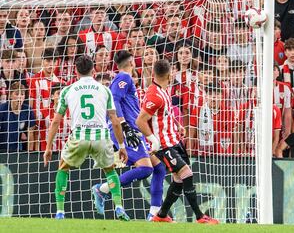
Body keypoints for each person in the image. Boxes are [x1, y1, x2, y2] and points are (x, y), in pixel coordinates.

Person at [43, 55, 130, 220]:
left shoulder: (68, 90)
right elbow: (115, 121)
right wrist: (122, 145)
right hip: (101, 137)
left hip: (79, 137)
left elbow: (55, 122)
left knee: (63, 168)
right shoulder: (105, 90)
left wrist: (48, 147)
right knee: (110, 171)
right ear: (94, 70)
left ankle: (60, 212)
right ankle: (119, 208)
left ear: (76, 71)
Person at [136, 59, 219, 224]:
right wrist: (153, 141)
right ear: (169, 75)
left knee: (179, 180)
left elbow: (166, 113)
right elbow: (140, 121)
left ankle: (160, 215)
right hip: (164, 145)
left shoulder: (164, 90)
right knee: (187, 174)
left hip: (174, 141)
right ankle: (200, 216)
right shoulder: (154, 95)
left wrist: (178, 125)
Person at [92, 50, 166, 221]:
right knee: (146, 168)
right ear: (132, 62)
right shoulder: (124, 77)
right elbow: (115, 100)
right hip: (128, 130)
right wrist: (124, 125)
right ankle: (102, 189)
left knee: (159, 167)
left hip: (132, 130)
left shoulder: (121, 79)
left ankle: (154, 213)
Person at [0, 82, 36, 152]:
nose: (20, 97)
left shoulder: (27, 110)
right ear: (10, 96)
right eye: (16, 94)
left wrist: (30, 154)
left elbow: (30, 134)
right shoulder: (2, 109)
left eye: (22, 94)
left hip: (18, 149)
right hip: (2, 149)